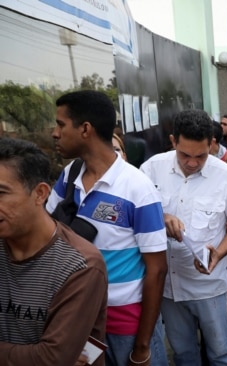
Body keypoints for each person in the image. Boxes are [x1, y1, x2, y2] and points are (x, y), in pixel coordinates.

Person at [47, 90, 168, 366]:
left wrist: (142, 345)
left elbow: (157, 269)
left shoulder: (138, 188)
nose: (55, 133)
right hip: (81, 318)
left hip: (126, 324)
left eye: (61, 124)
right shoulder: (69, 175)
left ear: (86, 129)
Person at [140, 109, 227, 365]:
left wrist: (219, 252)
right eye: (184, 155)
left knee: (221, 354)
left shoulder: (226, 176)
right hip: (169, 286)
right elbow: (133, 216)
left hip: (208, 286)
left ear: (212, 144)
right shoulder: (151, 170)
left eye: (200, 156)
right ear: (173, 141)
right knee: (183, 354)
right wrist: (161, 216)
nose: (192, 162)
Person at [0, 138, 108, 365]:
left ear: (40, 194)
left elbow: (52, 359)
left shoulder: (80, 265)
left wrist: (49, 356)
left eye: (1, 193)